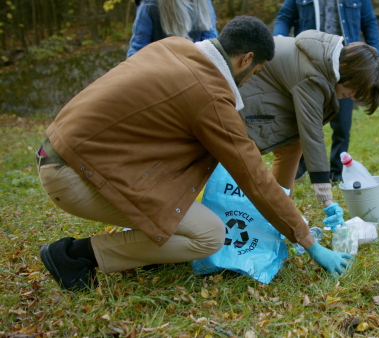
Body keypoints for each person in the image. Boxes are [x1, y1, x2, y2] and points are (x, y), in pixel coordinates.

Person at [36, 16, 352, 292]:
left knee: (180, 204)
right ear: (246, 59)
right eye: (256, 72)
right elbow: (255, 178)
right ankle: (74, 256)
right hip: (72, 176)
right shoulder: (211, 96)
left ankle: (149, 251)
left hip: (59, 151)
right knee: (208, 235)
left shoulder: (173, 46)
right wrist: (309, 242)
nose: (251, 79)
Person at [238, 30, 379, 228]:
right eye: (356, 88)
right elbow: (312, 132)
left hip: (260, 89)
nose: (353, 96)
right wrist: (327, 199)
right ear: (346, 67)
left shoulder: (323, 58)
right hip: (242, 91)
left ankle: (279, 209)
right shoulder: (314, 75)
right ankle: (274, 212)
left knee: (292, 145)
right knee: (242, 153)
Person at [273, 0, 379, 183]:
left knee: (342, 125)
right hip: (310, 65)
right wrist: (276, 41)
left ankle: (337, 172)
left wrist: (377, 61)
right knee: (304, 121)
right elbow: (285, 17)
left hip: (347, 69)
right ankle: (301, 167)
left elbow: (370, 23)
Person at [127, 0, 218, 58]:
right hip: (159, 72)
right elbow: (137, 50)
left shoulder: (205, 3)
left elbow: (210, 45)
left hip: (194, 71)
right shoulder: (150, 4)